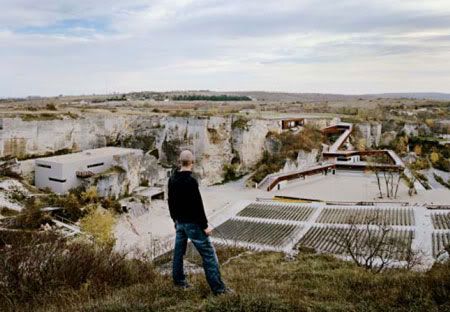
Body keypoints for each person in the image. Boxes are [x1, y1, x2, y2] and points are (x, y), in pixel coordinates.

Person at [168, 150, 229, 295]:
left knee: (178, 253)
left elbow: (170, 202)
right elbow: (197, 206)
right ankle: (219, 289)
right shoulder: (191, 181)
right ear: (192, 163)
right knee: (209, 254)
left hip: (180, 223)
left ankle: (179, 282)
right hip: (193, 224)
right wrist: (205, 226)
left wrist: (175, 220)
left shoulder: (172, 179)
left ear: (179, 161)